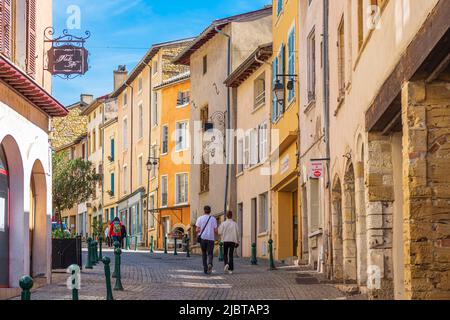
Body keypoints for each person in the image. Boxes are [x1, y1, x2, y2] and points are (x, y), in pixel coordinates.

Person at [195, 206, 218, 274]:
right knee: (210, 253)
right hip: (210, 238)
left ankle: (205, 269)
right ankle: (210, 263)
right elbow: (216, 230)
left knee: (204, 253)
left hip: (203, 238)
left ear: (204, 211)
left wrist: (200, 230)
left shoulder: (200, 218)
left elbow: (197, 229)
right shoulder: (213, 219)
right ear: (210, 211)